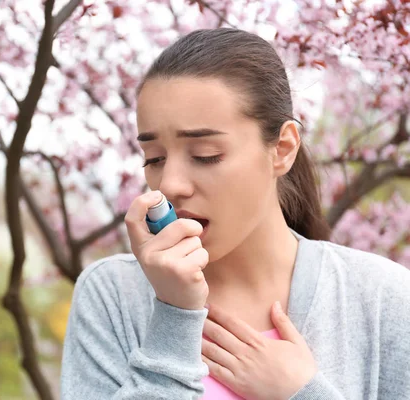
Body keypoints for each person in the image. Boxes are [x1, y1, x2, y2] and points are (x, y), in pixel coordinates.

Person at [59, 28, 410, 399]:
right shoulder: (112, 294)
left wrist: (303, 393)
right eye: (155, 158)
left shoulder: (381, 297)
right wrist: (173, 316)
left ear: (283, 148)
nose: (171, 183)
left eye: (205, 154)